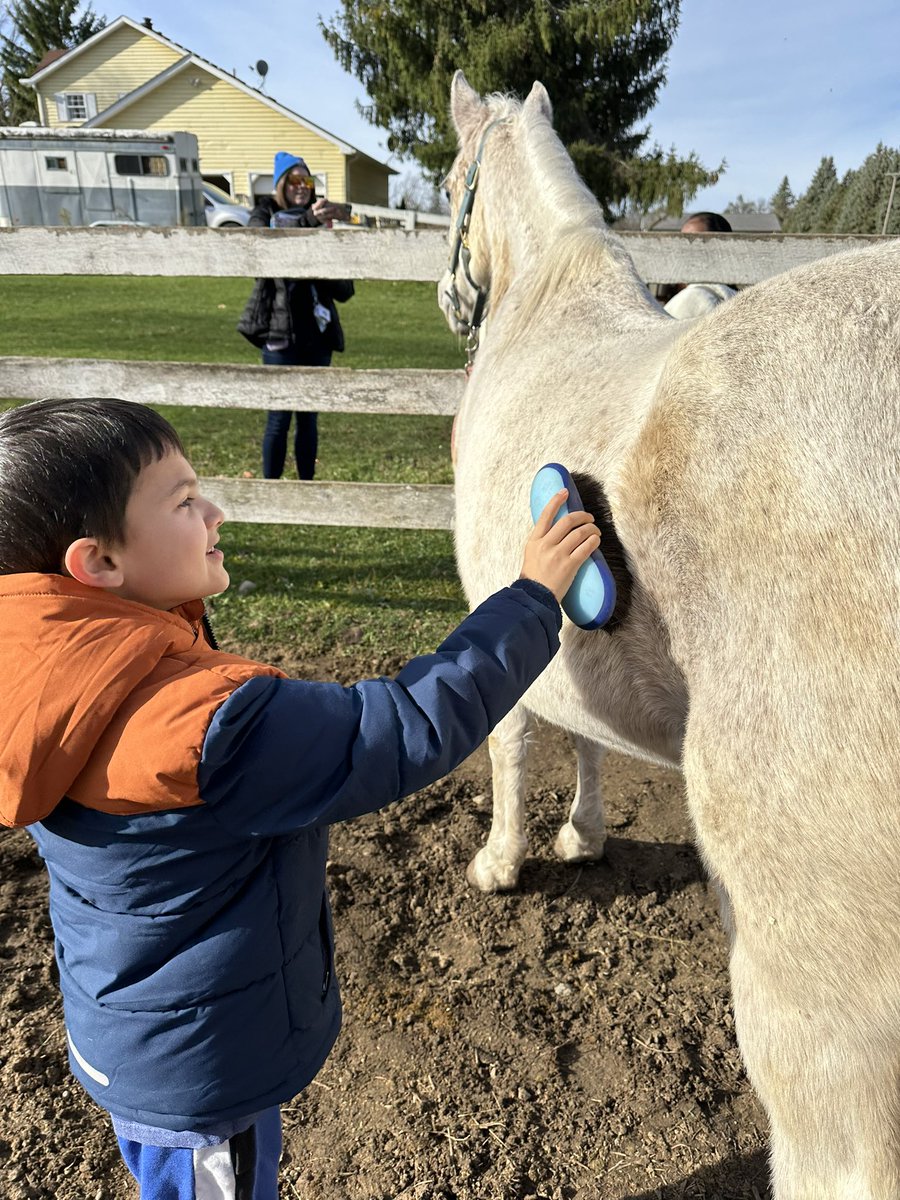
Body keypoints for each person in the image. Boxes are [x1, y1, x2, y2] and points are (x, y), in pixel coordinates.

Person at [0, 397, 600, 1199]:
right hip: (204, 1074)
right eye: (184, 502)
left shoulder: (45, 669)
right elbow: (397, 729)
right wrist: (531, 596)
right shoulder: (198, 726)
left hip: (144, 1034)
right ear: (97, 564)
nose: (215, 510)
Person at [238, 152, 355, 480]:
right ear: (281, 185)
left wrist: (327, 241)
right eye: (294, 180)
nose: (302, 188)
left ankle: (307, 487)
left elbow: (345, 290)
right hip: (279, 334)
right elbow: (258, 241)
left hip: (317, 336)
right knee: (278, 418)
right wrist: (309, 224)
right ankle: (271, 487)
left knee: (309, 418)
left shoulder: (321, 218)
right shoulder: (266, 213)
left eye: (307, 181)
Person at [659, 211, 737, 319]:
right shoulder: (738, 301)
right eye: (682, 243)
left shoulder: (691, 299)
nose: (684, 251)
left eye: (694, 242)